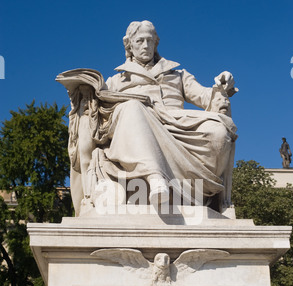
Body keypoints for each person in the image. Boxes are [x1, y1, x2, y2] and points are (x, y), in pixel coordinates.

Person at [58, 20, 238, 216]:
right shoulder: (115, 81)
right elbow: (100, 111)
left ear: (156, 43)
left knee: (218, 131)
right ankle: (155, 177)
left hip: (175, 123)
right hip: (133, 126)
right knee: (133, 107)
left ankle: (193, 189)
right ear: (129, 45)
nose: (145, 46)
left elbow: (205, 97)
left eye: (150, 41)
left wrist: (221, 86)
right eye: (140, 41)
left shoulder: (177, 75)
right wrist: (85, 101)